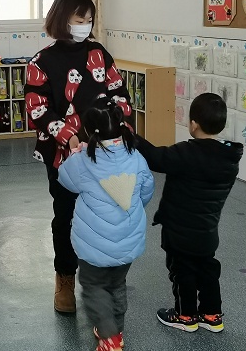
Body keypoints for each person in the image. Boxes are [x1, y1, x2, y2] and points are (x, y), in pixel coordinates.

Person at [24, 0, 133, 313]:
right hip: (63, 156)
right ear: (62, 19)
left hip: (104, 152)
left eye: (89, 20)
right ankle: (65, 279)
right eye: (79, 19)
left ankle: (103, 280)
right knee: (66, 216)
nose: (85, 25)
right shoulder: (41, 62)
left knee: (104, 217)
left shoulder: (99, 53)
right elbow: (37, 108)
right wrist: (68, 135)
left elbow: (120, 95)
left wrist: (111, 126)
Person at [136, 92, 243, 333]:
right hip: (207, 230)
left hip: (179, 231)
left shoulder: (186, 153)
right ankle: (212, 316)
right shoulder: (229, 158)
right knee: (208, 270)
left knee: (182, 272)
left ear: (193, 124)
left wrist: (132, 137)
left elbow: (155, 158)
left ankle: (185, 316)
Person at [58, 97, 155, 351]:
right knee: (116, 284)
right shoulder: (136, 156)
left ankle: (109, 336)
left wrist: (74, 153)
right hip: (127, 240)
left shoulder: (83, 161)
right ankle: (115, 331)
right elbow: (146, 191)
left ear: (88, 131)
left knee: (94, 286)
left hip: (94, 245)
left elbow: (64, 179)